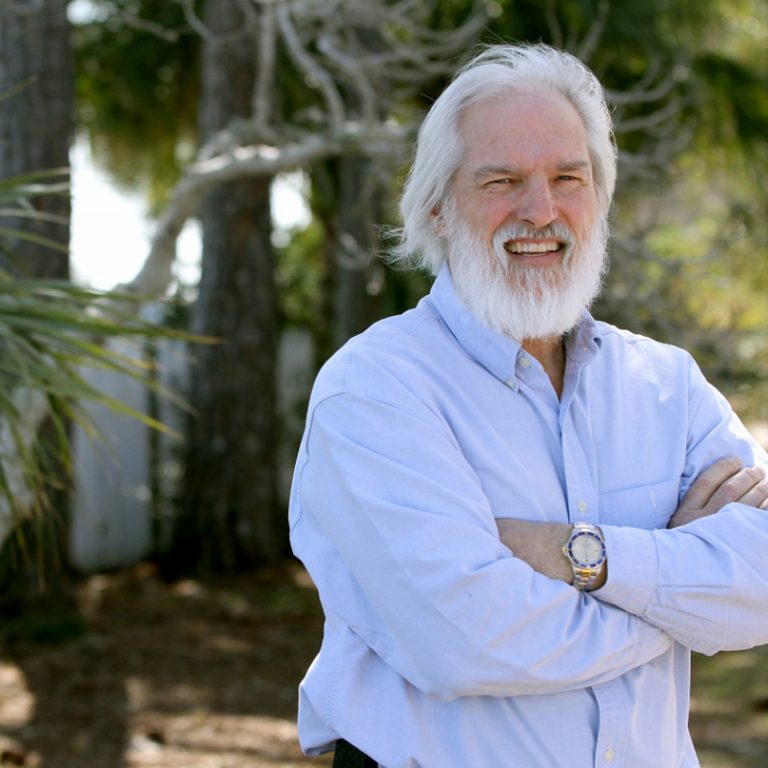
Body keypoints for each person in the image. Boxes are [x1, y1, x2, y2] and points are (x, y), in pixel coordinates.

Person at [288, 43, 768, 768]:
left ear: (599, 198)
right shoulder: (375, 390)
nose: (540, 211)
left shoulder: (667, 385)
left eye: (567, 178)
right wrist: (676, 604)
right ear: (436, 208)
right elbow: (465, 642)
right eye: (502, 180)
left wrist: (575, 555)